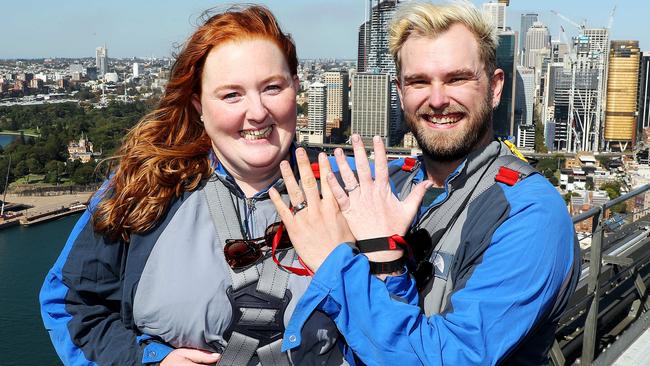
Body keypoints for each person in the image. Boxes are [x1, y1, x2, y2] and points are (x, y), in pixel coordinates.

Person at [39, 5, 353, 366]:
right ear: (198, 105)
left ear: (296, 89)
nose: (257, 112)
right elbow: (70, 302)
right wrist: (148, 360)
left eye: (272, 88)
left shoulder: (349, 195)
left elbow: (390, 331)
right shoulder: (145, 189)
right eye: (231, 94)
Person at [270, 1, 579, 365]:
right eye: (419, 82)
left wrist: (335, 262)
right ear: (400, 93)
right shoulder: (391, 181)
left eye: (457, 78)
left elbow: (449, 358)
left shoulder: (530, 214)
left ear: (495, 88)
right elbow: (274, 162)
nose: (437, 99)